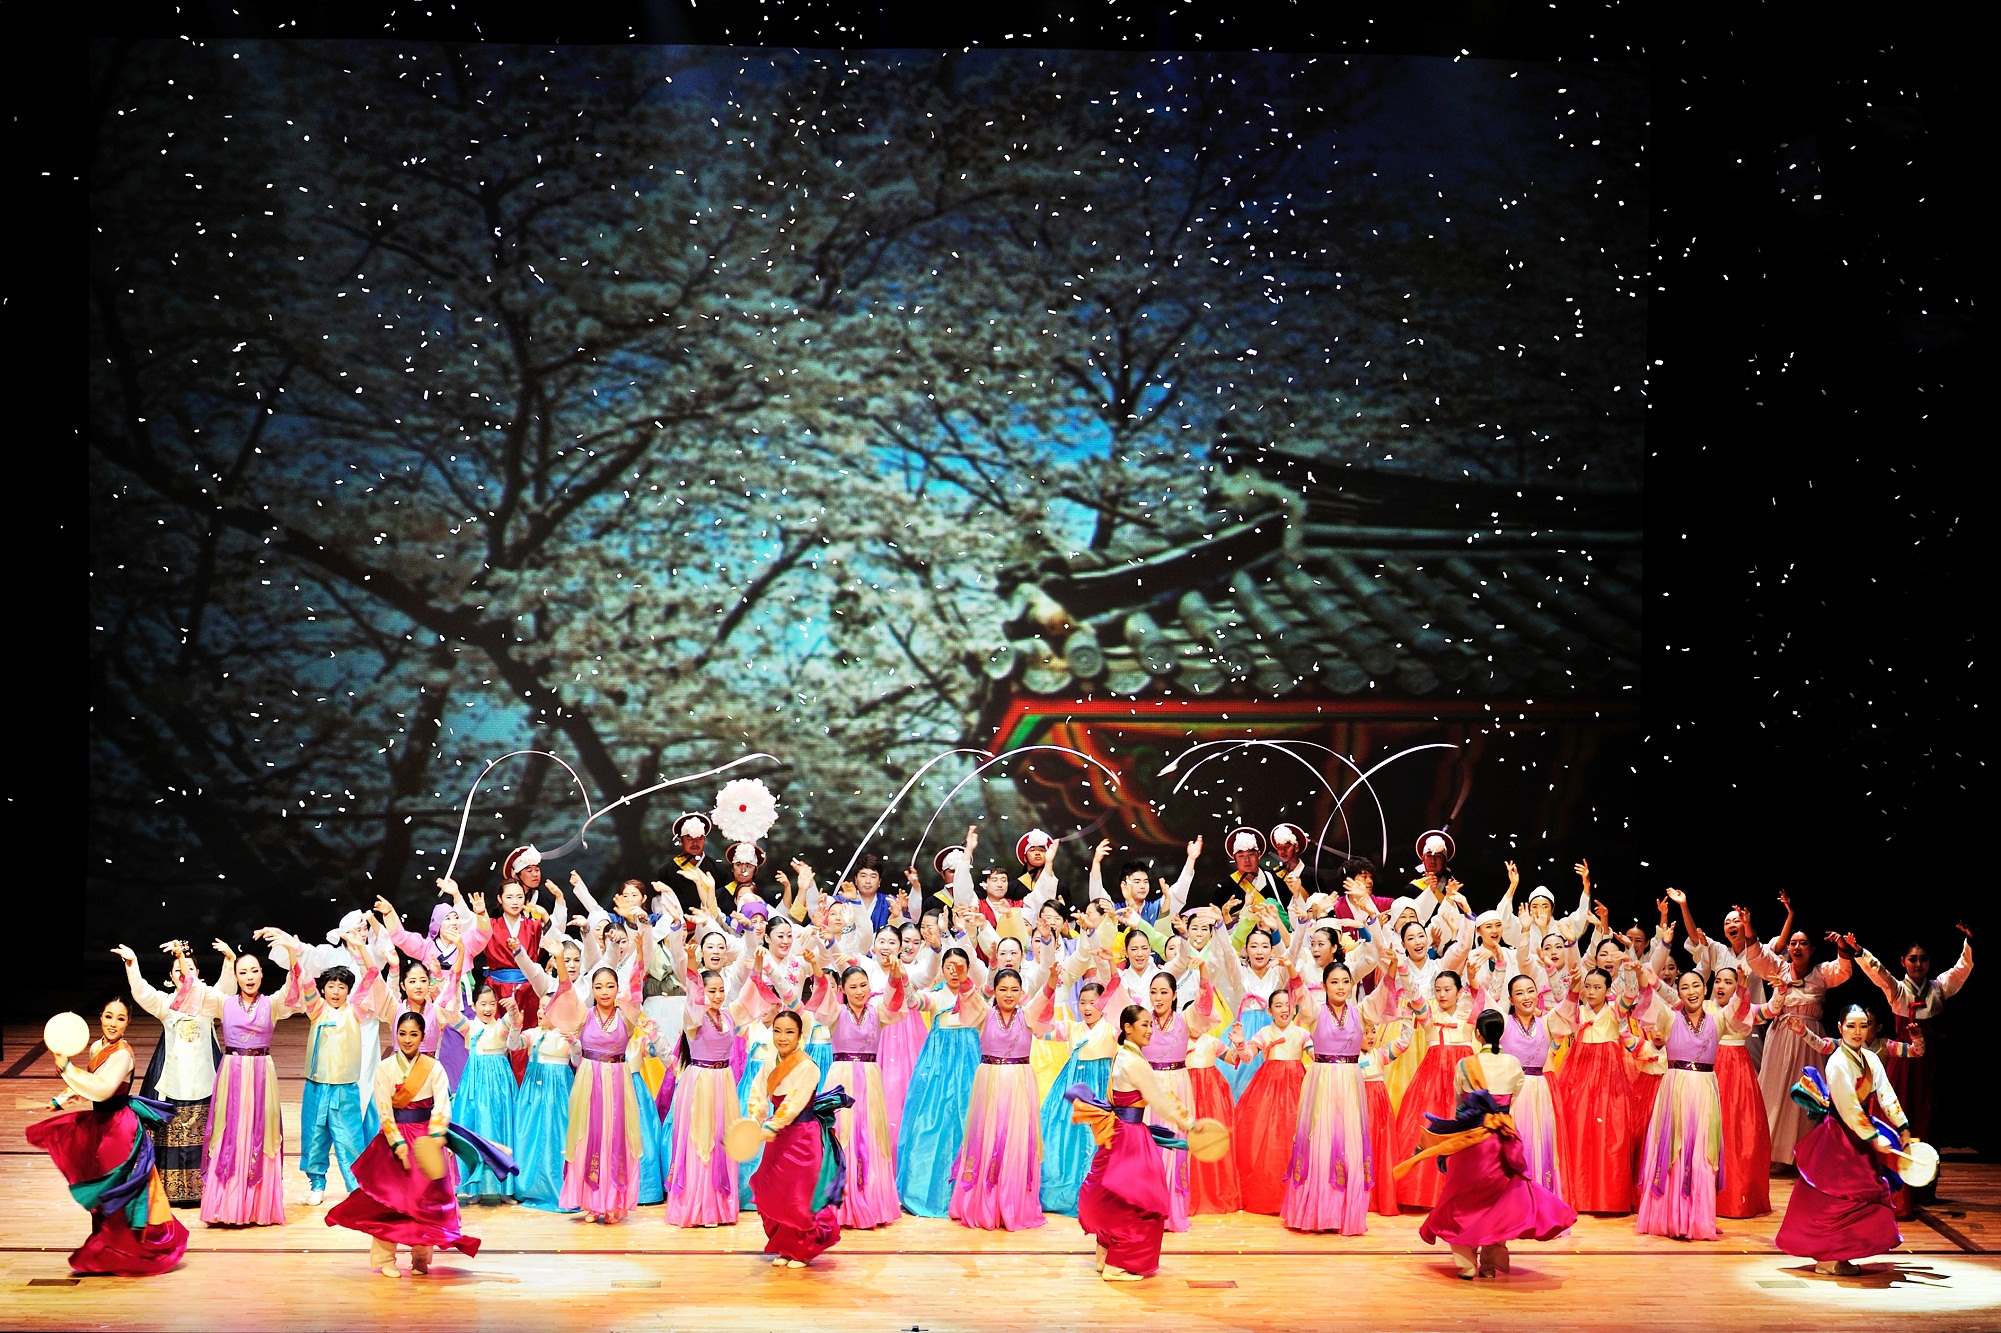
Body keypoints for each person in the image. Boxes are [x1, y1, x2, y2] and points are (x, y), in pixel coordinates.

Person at [325, 1011, 516, 1275]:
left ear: (422, 1037)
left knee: (427, 1201)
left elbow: (442, 1105)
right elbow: (384, 1109)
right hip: (395, 1141)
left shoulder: (434, 1067)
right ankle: (385, 1259)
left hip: (426, 1139)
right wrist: (396, 1142)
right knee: (389, 1201)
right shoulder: (385, 1068)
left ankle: (420, 1257)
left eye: (413, 1034)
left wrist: (435, 1137)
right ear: (396, 1035)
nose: (407, 1040)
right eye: (402, 1034)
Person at [1400, 1008, 1577, 1279]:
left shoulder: (1465, 1065)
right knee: (1499, 1201)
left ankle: (1467, 1262)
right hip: (1502, 1142)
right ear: (1501, 1035)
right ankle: (1489, 1262)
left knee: (1461, 1200)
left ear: (1478, 1034)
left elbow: (1460, 1104)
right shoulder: (1513, 1064)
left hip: (1472, 1142)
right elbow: (1513, 1097)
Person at [26, 995, 190, 1275]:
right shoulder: (96, 1047)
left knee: (116, 1190)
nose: (113, 1023)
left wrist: (67, 1068)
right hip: (100, 1124)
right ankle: (107, 1250)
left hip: (119, 1129)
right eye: (109, 1016)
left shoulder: (123, 1055)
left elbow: (102, 1089)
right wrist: (61, 1099)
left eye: (120, 1018)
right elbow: (87, 1082)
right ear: (100, 1017)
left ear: (128, 1023)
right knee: (104, 1190)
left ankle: (122, 1251)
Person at [1774, 1004, 1915, 1275]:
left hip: (1859, 1135)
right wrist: (1873, 1137)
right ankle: (1827, 1257)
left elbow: (1886, 1094)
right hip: (1839, 1137)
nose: (1857, 1031)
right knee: (1835, 1198)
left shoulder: (1870, 1059)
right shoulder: (1837, 1062)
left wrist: (1903, 1127)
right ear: (1840, 1028)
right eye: (1851, 1026)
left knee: (1859, 1197)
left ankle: (1840, 1254)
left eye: (1863, 1025)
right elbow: (1848, 1106)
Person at [1067, 1003, 1196, 1281]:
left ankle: (1105, 1254)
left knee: (1113, 1194)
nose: (1150, 1030)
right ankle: (1119, 1264)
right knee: (1140, 1201)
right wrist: (1190, 1124)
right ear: (1128, 1028)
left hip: (1118, 1132)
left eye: (1150, 1024)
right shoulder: (1134, 1062)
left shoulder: (1123, 1054)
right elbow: (1160, 1098)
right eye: (1144, 1025)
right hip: (1130, 1136)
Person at [193, 938, 304, 1226]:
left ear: (262, 974)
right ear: (236, 976)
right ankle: (225, 1208)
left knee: (261, 1133)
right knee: (229, 1131)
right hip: (231, 1071)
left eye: (254, 971)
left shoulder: (272, 1004)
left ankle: (257, 1208)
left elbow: (293, 985)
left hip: (262, 1073)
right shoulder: (224, 1003)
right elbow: (194, 991)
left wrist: (291, 952)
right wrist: (183, 957)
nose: (249, 977)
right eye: (243, 972)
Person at [266, 929, 369, 1207]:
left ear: (349, 991)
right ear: (323, 989)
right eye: (331, 986)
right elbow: (303, 978)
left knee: (350, 1140)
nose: (336, 991)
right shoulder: (316, 1009)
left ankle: (357, 1188)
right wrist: (292, 952)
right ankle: (317, 1184)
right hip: (317, 1086)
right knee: (314, 1136)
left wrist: (361, 951)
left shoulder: (356, 1010)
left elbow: (370, 978)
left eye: (342, 987)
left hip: (345, 1088)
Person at [948, 966, 1053, 1230]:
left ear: (1021, 992)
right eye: (1003, 989)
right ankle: (984, 1205)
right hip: (989, 1082)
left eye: (1014, 990)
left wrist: (1052, 979)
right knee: (986, 1138)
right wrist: (964, 978)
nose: (1008, 995)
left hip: (1020, 1083)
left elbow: (1043, 998)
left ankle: (1013, 1205)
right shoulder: (985, 1014)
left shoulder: (1027, 1015)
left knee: (1016, 1142)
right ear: (994, 991)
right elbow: (970, 997)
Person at [807, 959, 909, 1229]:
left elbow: (894, 999)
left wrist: (895, 974)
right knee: (842, 1136)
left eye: (863, 985)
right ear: (843, 989)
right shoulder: (836, 1013)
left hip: (870, 1079)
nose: (859, 991)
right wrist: (816, 967)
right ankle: (840, 1204)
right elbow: (823, 993)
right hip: (842, 1078)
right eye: (853, 987)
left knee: (872, 1136)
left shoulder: (878, 1013)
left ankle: (871, 1202)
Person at [118, 941, 219, 1208]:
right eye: (178, 970)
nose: (184, 973)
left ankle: (209, 1190)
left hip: (206, 1077)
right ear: (170, 977)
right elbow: (143, 992)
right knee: (170, 1133)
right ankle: (170, 1191)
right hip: (173, 1078)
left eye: (190, 968)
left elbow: (228, 990)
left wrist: (231, 962)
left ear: (198, 974)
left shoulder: (209, 1001)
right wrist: (132, 964)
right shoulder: (165, 1003)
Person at [746, 1010, 851, 1267]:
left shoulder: (807, 1066)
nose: (782, 1037)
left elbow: (793, 1103)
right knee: (775, 1191)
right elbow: (758, 1092)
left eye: (789, 1032)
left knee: (798, 1195)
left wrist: (772, 1125)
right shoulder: (770, 1062)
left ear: (800, 1035)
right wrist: (754, 1120)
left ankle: (803, 1250)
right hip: (778, 1137)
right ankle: (785, 1247)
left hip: (802, 1137)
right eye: (777, 1031)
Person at [1854, 923, 1972, 1152]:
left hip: (1930, 1064)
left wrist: (1969, 942)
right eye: (1913, 959)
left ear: (1930, 962)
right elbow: (1878, 972)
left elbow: (1961, 969)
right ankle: (1895, 1170)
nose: (1918, 964)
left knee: (1927, 1116)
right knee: (1898, 1113)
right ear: (1903, 962)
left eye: (1923, 959)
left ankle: (1924, 1170)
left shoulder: (1938, 989)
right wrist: (1859, 951)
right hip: (1903, 1064)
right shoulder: (1897, 990)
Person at [1283, 960, 1377, 1234]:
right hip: (1322, 1080)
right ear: (1324, 986)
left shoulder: (1360, 1012)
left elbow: (1384, 995)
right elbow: (1301, 992)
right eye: (1334, 982)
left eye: (1345, 982)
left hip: (1350, 1080)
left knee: (1349, 1141)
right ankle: (1318, 1214)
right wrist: (1291, 968)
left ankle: (1345, 1215)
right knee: (1320, 1140)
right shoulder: (1316, 1012)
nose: (1340, 987)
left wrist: (1394, 967)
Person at [562, 965, 660, 1223]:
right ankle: (591, 1202)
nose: (604, 991)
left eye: (610, 986)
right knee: (589, 1136)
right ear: (592, 990)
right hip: (589, 1080)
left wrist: (640, 953)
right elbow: (566, 991)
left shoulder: (626, 1017)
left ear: (618, 989)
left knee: (615, 1138)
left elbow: (636, 987)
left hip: (617, 1080)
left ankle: (613, 1203)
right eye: (598, 987)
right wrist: (560, 959)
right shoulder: (584, 1015)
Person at [1757, 908, 1855, 1166]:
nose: (1796, 947)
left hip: (1809, 1038)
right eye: (1793, 943)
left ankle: (1805, 1155)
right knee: (1775, 1090)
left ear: (1812, 949)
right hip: (1781, 1035)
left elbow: (1844, 970)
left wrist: (1842, 946)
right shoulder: (1780, 968)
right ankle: (1772, 1154)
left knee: (1807, 1094)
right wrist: (1747, 929)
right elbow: (1757, 957)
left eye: (1802, 943)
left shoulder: (1821, 973)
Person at [1633, 970, 1726, 1240]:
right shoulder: (1670, 1016)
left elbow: (1749, 1013)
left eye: (1696, 985)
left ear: (1705, 988)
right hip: (1675, 1089)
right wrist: (1641, 977)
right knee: (1672, 1151)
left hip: (1705, 1089)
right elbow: (1648, 1002)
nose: (1691, 991)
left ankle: (1698, 1219)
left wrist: (1745, 988)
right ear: (1679, 992)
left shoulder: (1717, 1019)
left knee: (1703, 1153)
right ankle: (1668, 1217)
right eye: (1684, 987)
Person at [896, 946, 986, 1216]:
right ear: (942, 970)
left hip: (969, 1066)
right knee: (930, 1123)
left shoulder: (976, 998)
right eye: (949, 967)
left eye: (960, 967)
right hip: (937, 1068)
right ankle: (924, 1192)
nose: (954, 972)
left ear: (968, 970)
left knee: (967, 1122)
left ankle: (966, 1195)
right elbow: (913, 1002)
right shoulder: (935, 998)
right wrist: (904, 980)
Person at [1548, 964, 1641, 1213]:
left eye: (1597, 987)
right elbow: (1560, 1011)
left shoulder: (1614, 1011)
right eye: (1588, 986)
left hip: (1609, 1073)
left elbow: (1631, 993)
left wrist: (1630, 969)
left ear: (1608, 990)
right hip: (1578, 1071)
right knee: (1577, 1127)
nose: (1591, 992)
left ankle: (1608, 1197)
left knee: (1610, 1130)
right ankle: (1579, 1194)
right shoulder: (1578, 1012)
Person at [1037, 968, 1124, 1215]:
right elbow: (1039, 1028)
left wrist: (1110, 968)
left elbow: (1125, 1014)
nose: (1087, 1008)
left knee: (1098, 1140)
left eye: (1093, 1002)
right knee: (1067, 1139)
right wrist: (1050, 986)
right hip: (1072, 1090)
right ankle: (1067, 1193)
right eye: (1083, 1002)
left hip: (1100, 1090)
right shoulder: (1072, 1029)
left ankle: (1096, 1194)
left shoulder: (1112, 1030)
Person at [1226, 985, 1308, 1215]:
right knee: (1265, 1136)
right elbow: (1248, 1057)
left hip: (1297, 1087)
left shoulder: (1302, 1033)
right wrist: (1241, 1044)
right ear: (1270, 1011)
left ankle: (1296, 1194)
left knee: (1295, 1134)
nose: (1284, 1010)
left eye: (1287, 1005)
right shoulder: (1264, 1033)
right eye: (1278, 1006)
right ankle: (1268, 1194)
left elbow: (1316, 1055)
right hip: (1268, 1088)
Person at [437, 981, 522, 1203]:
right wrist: (452, 983)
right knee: (475, 1130)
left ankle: (505, 1189)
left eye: (492, 1003)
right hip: (474, 1084)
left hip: (500, 1084)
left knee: (502, 1129)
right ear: (473, 1006)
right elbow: (447, 1010)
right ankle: (476, 1188)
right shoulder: (468, 1026)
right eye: (483, 1004)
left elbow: (512, 1024)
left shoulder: (501, 1025)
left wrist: (512, 1010)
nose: (488, 1008)